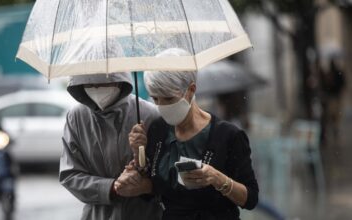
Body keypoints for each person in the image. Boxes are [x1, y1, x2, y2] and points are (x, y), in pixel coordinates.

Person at [126, 48, 259, 220]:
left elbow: (250, 199)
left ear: (190, 90)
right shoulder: (157, 130)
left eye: (168, 99)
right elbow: (151, 193)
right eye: (155, 99)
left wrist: (217, 178)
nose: (161, 106)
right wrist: (138, 156)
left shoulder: (228, 135)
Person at [59, 71, 161, 220]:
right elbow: (70, 175)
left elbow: (165, 173)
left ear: (120, 81)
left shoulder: (149, 114)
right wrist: (112, 188)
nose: (97, 88)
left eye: (104, 83)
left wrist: (141, 169)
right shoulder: (76, 117)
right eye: (90, 84)